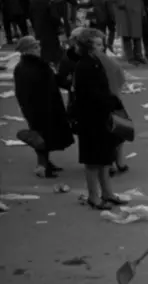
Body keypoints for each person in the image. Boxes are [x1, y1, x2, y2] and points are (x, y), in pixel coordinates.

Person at [66, 29, 124, 209]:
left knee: (105, 158)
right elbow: (88, 94)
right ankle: (93, 196)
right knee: (93, 160)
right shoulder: (84, 65)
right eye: (97, 44)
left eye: (102, 43)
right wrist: (109, 101)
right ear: (88, 47)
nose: (102, 47)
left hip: (102, 115)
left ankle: (107, 192)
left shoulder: (97, 62)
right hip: (90, 118)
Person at [13, 35, 73, 178]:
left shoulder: (26, 66)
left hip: (37, 107)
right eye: (35, 47)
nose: (39, 49)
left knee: (43, 135)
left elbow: (52, 79)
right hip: (43, 107)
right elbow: (47, 83)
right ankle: (43, 166)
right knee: (43, 136)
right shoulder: (34, 67)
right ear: (27, 50)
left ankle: (45, 163)